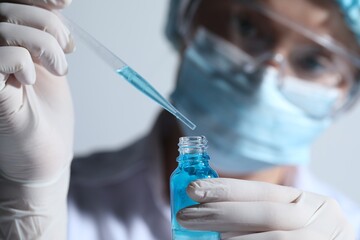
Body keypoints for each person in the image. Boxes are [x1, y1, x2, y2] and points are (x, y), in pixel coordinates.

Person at [1, 0, 360, 239]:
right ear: (187, 17)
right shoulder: (52, 195)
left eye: (314, 61)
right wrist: (31, 200)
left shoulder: (345, 229)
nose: (266, 73)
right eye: (248, 27)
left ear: (350, 93)